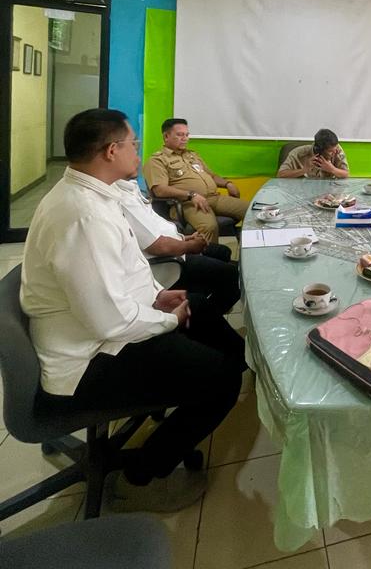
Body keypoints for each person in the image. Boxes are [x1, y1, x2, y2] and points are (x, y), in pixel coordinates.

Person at [21, 109, 244, 512]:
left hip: (110, 326)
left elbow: (124, 274)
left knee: (216, 330)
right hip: (91, 357)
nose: (138, 152)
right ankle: (142, 477)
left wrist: (159, 296)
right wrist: (168, 318)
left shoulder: (98, 195)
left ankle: (190, 398)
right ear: (111, 151)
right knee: (223, 378)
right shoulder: (84, 215)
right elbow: (111, 320)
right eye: (133, 144)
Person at [115, 177, 240, 314]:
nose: (138, 164)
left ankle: (208, 304)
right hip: (166, 261)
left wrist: (183, 238)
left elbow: (153, 228)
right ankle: (206, 313)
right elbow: (158, 245)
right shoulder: (121, 198)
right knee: (232, 275)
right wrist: (190, 245)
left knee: (222, 252)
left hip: (173, 244)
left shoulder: (129, 187)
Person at [144, 118, 248, 242]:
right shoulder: (157, 160)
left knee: (252, 212)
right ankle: (211, 254)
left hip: (214, 198)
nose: (185, 138)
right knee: (209, 227)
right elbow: (160, 190)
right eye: (180, 135)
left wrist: (228, 184)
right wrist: (191, 195)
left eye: (187, 135)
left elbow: (212, 176)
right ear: (166, 136)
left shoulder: (192, 155)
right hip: (188, 203)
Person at [277, 128, 350, 179]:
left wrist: (332, 169)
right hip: (302, 190)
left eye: (336, 149)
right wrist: (304, 170)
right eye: (330, 151)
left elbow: (346, 174)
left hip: (329, 191)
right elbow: (280, 175)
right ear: (318, 150)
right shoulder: (298, 153)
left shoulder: (337, 150)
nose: (335, 152)